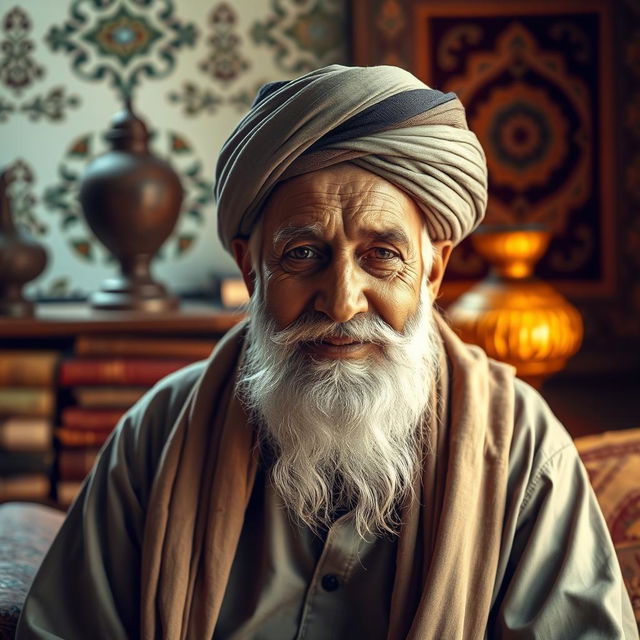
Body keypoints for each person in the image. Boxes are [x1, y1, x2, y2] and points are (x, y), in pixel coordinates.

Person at [17, 65, 637, 639]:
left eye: (382, 255)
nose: (342, 303)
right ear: (251, 268)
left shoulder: (522, 450)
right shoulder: (158, 437)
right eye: (303, 253)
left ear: (433, 270)